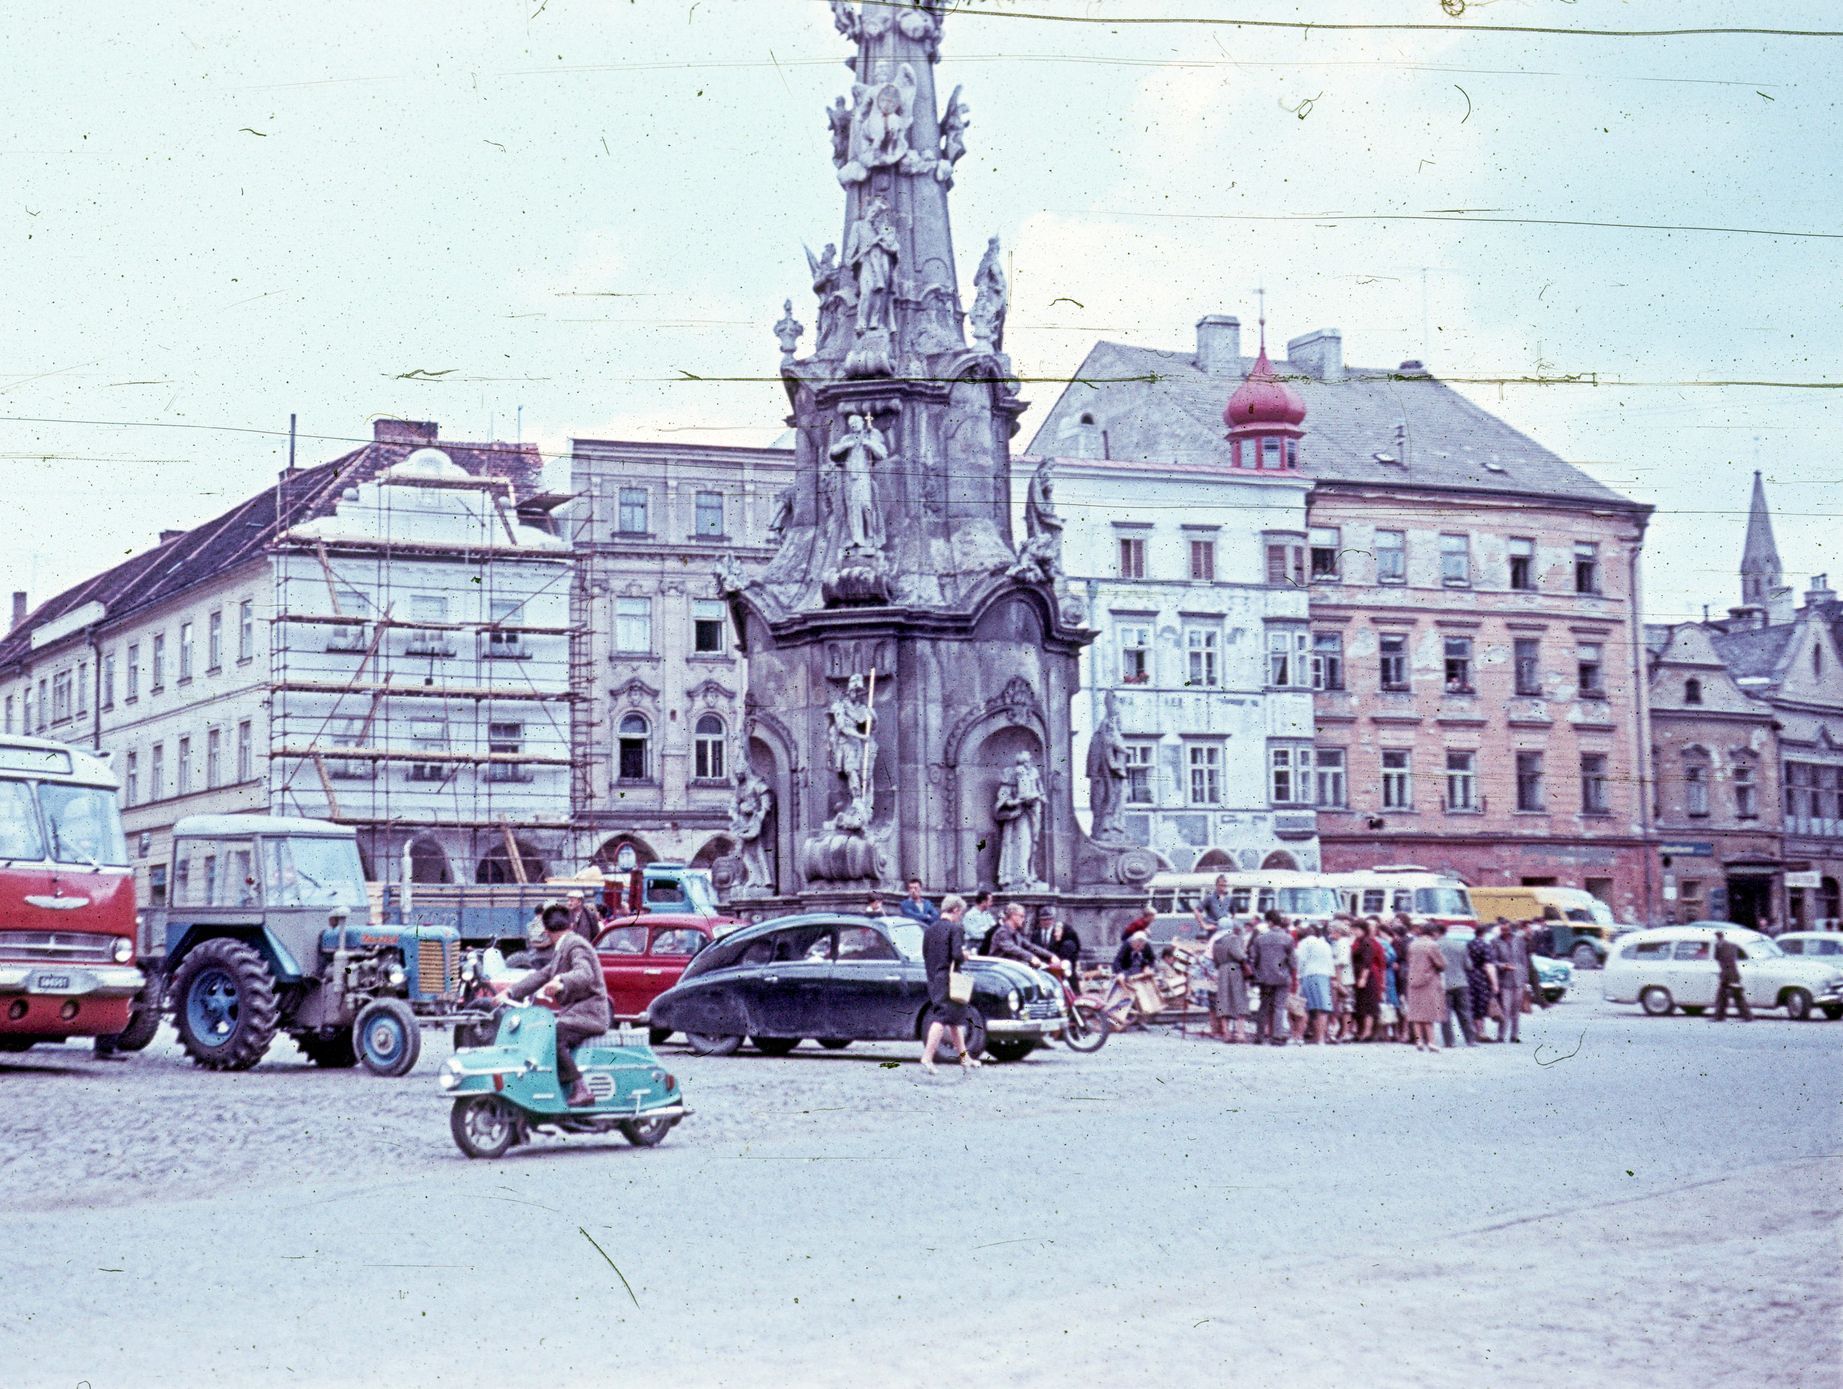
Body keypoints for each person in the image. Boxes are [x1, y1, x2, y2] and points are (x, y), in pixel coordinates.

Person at [504, 904, 612, 1107]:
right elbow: (542, 975)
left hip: (591, 1014)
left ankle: (581, 1089)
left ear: (546, 931)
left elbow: (584, 974)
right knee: (542, 1032)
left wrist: (561, 981)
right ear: (571, 924)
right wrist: (510, 992)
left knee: (553, 1036)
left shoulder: (576, 945)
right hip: (578, 1012)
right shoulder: (564, 945)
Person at [920, 895, 980, 1072]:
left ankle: (964, 1058)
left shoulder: (929, 930)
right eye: (960, 913)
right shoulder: (955, 929)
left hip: (934, 978)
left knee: (954, 1020)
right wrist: (965, 956)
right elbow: (956, 955)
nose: (960, 916)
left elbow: (925, 954)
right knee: (943, 1018)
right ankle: (927, 1057)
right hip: (950, 980)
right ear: (955, 910)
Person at [1248, 911, 1295, 1047]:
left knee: (1263, 1006)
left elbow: (1253, 958)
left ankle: (1260, 1035)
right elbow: (1292, 961)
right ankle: (1277, 1035)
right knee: (1279, 1007)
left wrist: (1257, 973)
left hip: (1264, 977)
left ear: (1269, 922)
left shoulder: (1260, 939)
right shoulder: (1288, 938)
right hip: (1282, 977)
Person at [1404, 923, 1447, 1052]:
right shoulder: (1432, 945)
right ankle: (1431, 1042)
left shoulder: (1412, 944)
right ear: (1433, 933)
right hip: (1429, 981)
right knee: (1428, 1013)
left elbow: (1409, 960)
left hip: (1412, 980)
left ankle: (1419, 1041)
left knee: (1416, 1013)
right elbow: (1442, 964)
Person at [1209, 918, 1249, 1042]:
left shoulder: (1216, 941)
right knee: (1239, 1000)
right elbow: (1240, 955)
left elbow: (1214, 959)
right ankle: (1240, 1034)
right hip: (1234, 970)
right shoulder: (1233, 938)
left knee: (1223, 1000)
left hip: (1221, 970)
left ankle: (1226, 1033)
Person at [1438, 921, 1476, 1048]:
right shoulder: (1460, 945)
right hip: (1461, 982)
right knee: (1465, 1012)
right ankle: (1470, 1039)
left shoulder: (1436, 946)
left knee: (1446, 1014)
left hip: (1444, 984)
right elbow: (1469, 965)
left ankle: (1449, 1041)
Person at [1295, 924, 1335, 1044]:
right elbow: (1330, 962)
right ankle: (1320, 1038)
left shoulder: (1304, 943)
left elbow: (1301, 960)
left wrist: (1299, 976)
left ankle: (1299, 1037)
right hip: (1324, 976)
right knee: (1322, 1009)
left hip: (1309, 974)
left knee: (1306, 1007)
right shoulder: (1325, 944)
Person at [1490, 920, 1528, 1042]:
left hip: (1518, 979)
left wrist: (1525, 979)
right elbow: (1493, 961)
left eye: (1506, 930)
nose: (1504, 932)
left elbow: (1524, 959)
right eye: (1502, 930)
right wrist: (1502, 966)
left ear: (1511, 929)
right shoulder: (1495, 942)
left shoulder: (1519, 941)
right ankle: (1501, 1035)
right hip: (1505, 980)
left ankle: (1514, 1035)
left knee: (1516, 1009)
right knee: (1505, 1009)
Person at [991, 902, 1059, 969]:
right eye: (1022, 916)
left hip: (1009, 968)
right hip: (999, 970)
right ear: (1013, 916)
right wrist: (1031, 957)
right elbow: (1012, 948)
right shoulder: (1003, 932)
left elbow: (1030, 946)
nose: (1023, 919)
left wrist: (1051, 956)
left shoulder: (1016, 933)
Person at [1352, 919, 1387, 1041]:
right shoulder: (1359, 941)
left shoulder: (1367, 942)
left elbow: (1367, 962)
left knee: (1368, 1006)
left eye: (1356, 929)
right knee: (1362, 1005)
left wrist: (1363, 978)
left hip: (1367, 976)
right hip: (1360, 975)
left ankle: (1367, 1032)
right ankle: (1363, 1031)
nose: (1354, 932)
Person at [1466, 920, 1499, 1042]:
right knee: (1481, 1005)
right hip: (1481, 978)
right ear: (1484, 932)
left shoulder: (1469, 944)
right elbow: (1488, 966)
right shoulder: (1485, 946)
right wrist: (1495, 984)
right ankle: (1481, 1032)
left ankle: (1475, 1030)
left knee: (1473, 1005)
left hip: (1470, 977)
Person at [1712, 930, 1753, 1021]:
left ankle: (1719, 1017)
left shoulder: (1724, 947)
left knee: (1736, 997)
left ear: (1719, 938)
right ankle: (1719, 1016)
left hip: (1730, 977)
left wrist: (1726, 978)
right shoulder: (1723, 946)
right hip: (1730, 976)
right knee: (1724, 997)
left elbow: (1727, 964)